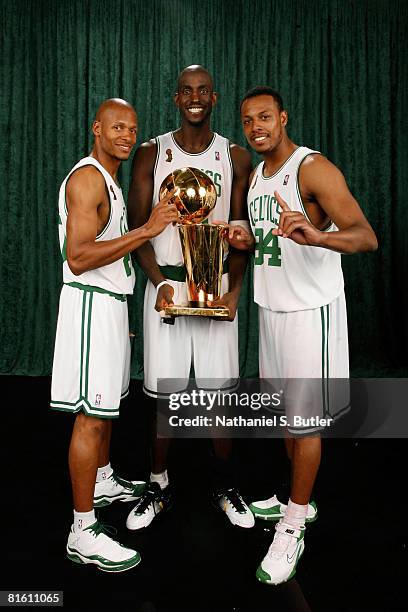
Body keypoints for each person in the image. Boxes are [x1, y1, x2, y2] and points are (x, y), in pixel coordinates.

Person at [225, 86, 378, 584]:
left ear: (283, 117)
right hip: (272, 309)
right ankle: (297, 497)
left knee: (306, 421)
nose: (256, 127)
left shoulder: (313, 169)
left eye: (264, 117)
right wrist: (247, 237)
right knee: (286, 418)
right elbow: (268, 237)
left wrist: (321, 236)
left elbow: (364, 235)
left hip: (311, 312)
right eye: (248, 121)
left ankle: (293, 524)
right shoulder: (258, 176)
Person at [50, 98, 178, 572]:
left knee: (104, 409)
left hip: (107, 307)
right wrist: (148, 230)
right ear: (96, 129)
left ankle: (101, 480)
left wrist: (119, 304)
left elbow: (107, 254)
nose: (126, 135)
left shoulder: (111, 181)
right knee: (89, 418)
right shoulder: (87, 177)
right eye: (117, 127)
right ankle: (82, 531)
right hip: (87, 305)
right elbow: (79, 256)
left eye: (133, 128)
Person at [126, 65, 254, 529]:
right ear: (175, 98)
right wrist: (159, 281)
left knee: (219, 395)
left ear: (214, 98)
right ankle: (157, 484)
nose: (195, 98)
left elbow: (241, 233)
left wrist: (234, 291)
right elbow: (138, 230)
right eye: (187, 91)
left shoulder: (235, 156)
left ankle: (225, 485)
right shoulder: (150, 153)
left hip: (214, 284)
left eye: (203, 91)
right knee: (166, 394)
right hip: (167, 283)